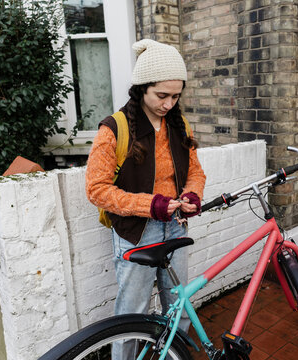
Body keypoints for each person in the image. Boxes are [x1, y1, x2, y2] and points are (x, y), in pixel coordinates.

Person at [85, 39, 206, 354]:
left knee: (178, 305)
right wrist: (152, 205)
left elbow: (195, 171)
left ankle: (171, 354)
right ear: (141, 89)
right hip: (137, 232)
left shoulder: (179, 124)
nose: (169, 104)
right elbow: (96, 189)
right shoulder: (114, 129)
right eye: (162, 95)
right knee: (132, 314)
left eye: (176, 96)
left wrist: (192, 195)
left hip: (176, 227)